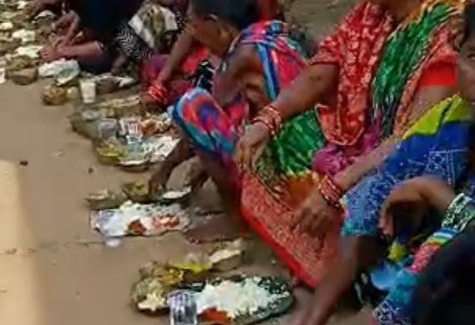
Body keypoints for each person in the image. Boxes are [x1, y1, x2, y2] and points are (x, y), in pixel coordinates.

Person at [263, 4, 475, 325]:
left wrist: (434, 194)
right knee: (370, 204)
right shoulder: (450, 120)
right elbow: (382, 184)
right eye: (473, 57)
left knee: (436, 254)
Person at [234, 0, 461, 285]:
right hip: (359, 143)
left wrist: (335, 187)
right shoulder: (372, 13)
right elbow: (323, 69)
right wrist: (268, 119)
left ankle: (345, 271)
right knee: (279, 137)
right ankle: (318, 258)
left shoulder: (446, 30)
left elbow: (413, 137)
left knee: (365, 191)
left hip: (407, 163)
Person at [148, 0, 317, 236]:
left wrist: (166, 168)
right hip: (317, 160)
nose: (196, 37)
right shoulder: (272, 33)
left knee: (192, 106)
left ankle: (236, 220)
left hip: (297, 176)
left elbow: (207, 123)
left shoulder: (240, 57)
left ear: (217, 26)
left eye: (195, 27)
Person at [142, 0, 285, 107]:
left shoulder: (246, 53)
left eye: (194, 26)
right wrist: (160, 82)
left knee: (191, 106)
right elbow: (191, 30)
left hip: (241, 57)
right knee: (156, 65)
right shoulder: (207, 22)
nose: (192, 31)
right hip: (224, 45)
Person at [40, 0, 143, 73]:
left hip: (133, 41)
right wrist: (66, 41)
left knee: (97, 62)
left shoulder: (99, 4)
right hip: (111, 31)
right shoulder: (80, 3)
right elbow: (80, 15)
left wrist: (62, 52)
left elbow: (102, 46)